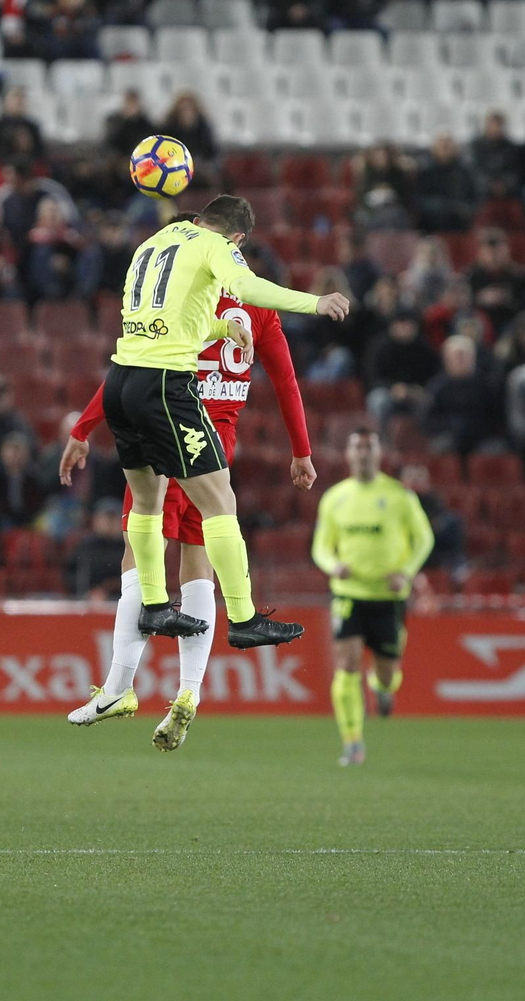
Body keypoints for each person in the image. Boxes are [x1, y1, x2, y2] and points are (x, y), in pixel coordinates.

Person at [58, 210, 318, 749]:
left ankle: (118, 687)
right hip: (216, 443)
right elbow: (287, 382)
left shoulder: (185, 299)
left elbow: (135, 366)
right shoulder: (259, 310)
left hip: (168, 428)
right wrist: (301, 452)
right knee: (201, 558)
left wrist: (84, 428)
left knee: (139, 549)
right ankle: (189, 693)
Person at [87, 195, 350, 668]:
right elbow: (247, 287)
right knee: (220, 504)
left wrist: (222, 329)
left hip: (123, 381)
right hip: (169, 391)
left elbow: (163, 322)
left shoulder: (152, 245)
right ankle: (244, 618)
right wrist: (314, 302)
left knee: (145, 505)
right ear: (237, 238)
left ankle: (153, 607)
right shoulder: (214, 246)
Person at [311, 428, 434, 766]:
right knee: (346, 664)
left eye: (369, 447)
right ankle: (352, 742)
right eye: (358, 447)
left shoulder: (399, 496)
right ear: (348, 454)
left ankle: (382, 687)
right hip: (349, 595)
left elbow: (424, 539)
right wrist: (333, 565)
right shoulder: (335, 498)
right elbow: (320, 546)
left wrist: (406, 573)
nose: (363, 453)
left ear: (379, 453)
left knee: (387, 673)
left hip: (389, 597)